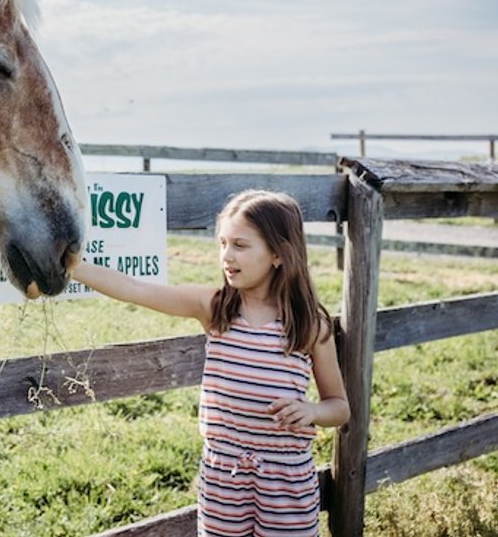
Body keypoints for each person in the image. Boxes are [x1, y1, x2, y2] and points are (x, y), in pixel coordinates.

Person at [73, 189, 350, 537]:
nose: (226, 256)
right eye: (222, 243)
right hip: (224, 479)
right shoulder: (216, 308)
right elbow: (135, 288)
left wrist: (311, 411)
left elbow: (339, 407)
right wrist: (73, 266)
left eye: (240, 245)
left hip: (287, 482)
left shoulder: (309, 325)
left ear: (279, 254)